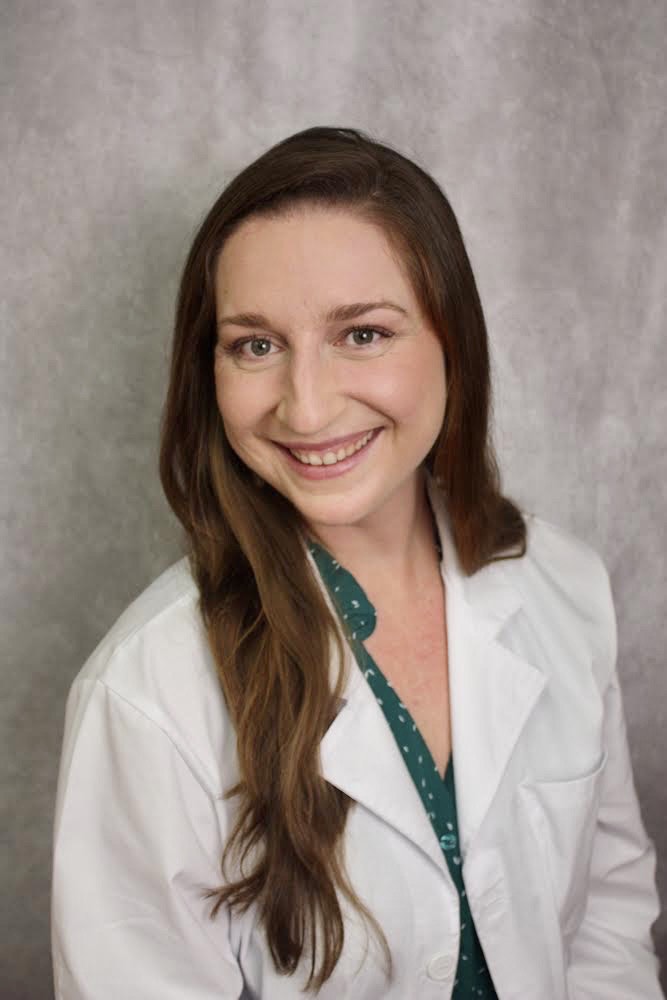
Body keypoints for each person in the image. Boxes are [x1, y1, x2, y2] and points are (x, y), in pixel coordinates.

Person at [50, 125, 663, 999]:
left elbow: (606, 912)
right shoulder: (146, 692)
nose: (306, 408)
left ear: (454, 342)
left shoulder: (565, 583)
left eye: (363, 335)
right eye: (255, 345)